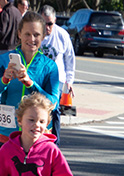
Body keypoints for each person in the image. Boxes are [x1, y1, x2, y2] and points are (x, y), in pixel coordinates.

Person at [0, 11, 60, 149]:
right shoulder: (4, 60)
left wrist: (30, 84)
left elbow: (54, 102)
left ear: (43, 36)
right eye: (27, 34)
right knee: (8, 171)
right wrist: (4, 81)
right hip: (8, 135)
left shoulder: (49, 66)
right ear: (19, 34)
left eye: (36, 35)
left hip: (38, 136)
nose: (32, 39)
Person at [39, 4, 74, 145]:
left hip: (56, 80)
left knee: (55, 110)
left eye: (50, 24)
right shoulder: (35, 34)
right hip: (38, 77)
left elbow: (70, 58)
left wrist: (69, 81)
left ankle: (55, 144)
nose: (47, 27)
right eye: (44, 23)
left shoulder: (62, 35)